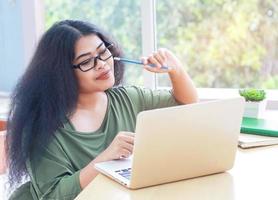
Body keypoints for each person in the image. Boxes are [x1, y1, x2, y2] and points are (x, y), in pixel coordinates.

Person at [7, 20, 198, 200]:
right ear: (61, 73)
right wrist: (105, 160)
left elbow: (185, 105)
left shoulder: (127, 99)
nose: (101, 64)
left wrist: (176, 70)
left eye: (103, 52)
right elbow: (53, 195)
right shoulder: (42, 126)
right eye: (86, 62)